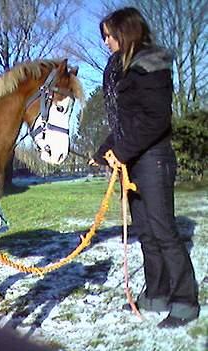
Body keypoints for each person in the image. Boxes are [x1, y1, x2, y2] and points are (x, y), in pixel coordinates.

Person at [89, 7, 200, 328]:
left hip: (154, 160)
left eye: (109, 35)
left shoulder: (151, 65)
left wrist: (120, 151)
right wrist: (104, 152)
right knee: (146, 235)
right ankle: (156, 293)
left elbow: (155, 120)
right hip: (133, 161)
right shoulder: (121, 68)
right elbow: (126, 122)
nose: (106, 42)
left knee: (165, 233)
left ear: (125, 32)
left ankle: (184, 301)